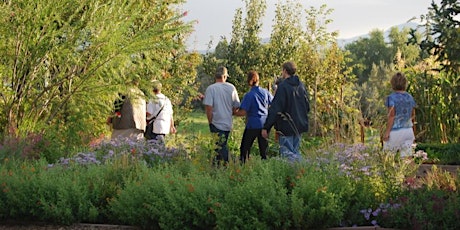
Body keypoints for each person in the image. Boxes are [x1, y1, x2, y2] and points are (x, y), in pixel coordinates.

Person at [261, 61, 310, 162]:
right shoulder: (301, 86)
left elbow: (275, 108)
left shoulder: (283, 87)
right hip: (299, 125)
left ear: (284, 71)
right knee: (296, 153)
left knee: (287, 155)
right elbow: (307, 106)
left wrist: (266, 127)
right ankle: (300, 173)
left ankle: (290, 176)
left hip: (286, 126)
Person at [203, 66, 240, 164]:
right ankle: (218, 167)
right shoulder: (231, 88)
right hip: (227, 122)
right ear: (225, 76)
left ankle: (227, 164)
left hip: (216, 122)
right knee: (220, 146)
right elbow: (236, 106)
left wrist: (210, 122)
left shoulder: (211, 89)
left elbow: (209, 108)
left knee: (219, 147)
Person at [234, 70, 273, 163]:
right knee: (264, 149)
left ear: (248, 81)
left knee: (245, 148)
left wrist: (233, 112)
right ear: (258, 80)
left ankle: (243, 166)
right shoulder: (265, 92)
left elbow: (243, 112)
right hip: (265, 124)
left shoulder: (249, 95)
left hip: (253, 124)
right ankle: (266, 167)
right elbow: (274, 103)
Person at [382, 72, 416, 158]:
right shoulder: (410, 97)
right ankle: (413, 172)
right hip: (408, 130)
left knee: (387, 158)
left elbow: (392, 116)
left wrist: (387, 132)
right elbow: (412, 115)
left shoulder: (391, 98)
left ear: (393, 83)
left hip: (395, 131)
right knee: (407, 159)